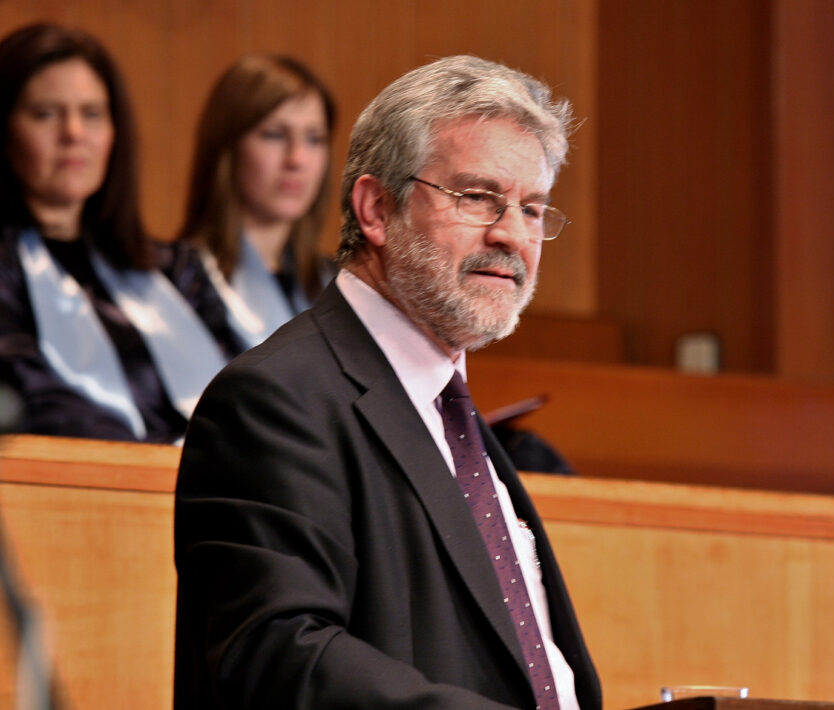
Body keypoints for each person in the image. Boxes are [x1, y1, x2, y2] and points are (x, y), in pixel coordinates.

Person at [174, 55, 601, 709]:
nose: (512, 235)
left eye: (533, 208)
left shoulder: (458, 423)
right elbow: (276, 653)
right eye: (477, 197)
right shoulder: (275, 401)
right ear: (376, 208)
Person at [0, 22, 233, 443]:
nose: (74, 134)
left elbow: (244, 391)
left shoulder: (177, 270)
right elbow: (32, 398)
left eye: (91, 114)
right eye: (46, 113)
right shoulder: (7, 271)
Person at [177, 54, 336, 349]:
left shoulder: (342, 288)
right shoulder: (178, 284)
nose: (297, 159)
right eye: (274, 135)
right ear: (228, 147)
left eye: (314, 139)